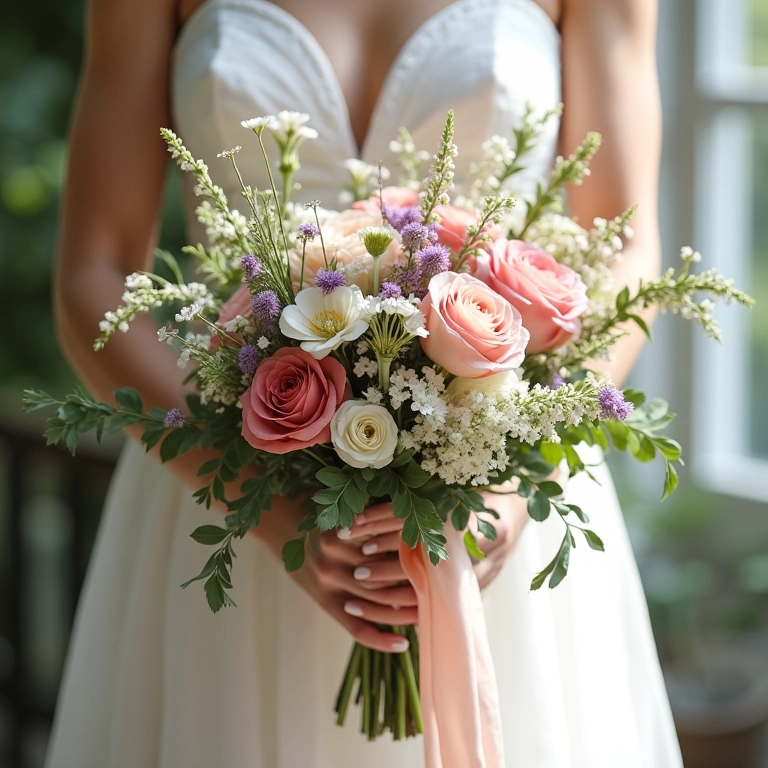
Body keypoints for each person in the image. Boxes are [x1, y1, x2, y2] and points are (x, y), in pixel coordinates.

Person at [47, 0, 683, 765]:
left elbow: (624, 240)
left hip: (494, 509)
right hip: (224, 498)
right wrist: (273, 506)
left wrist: (511, 489)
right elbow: (95, 271)